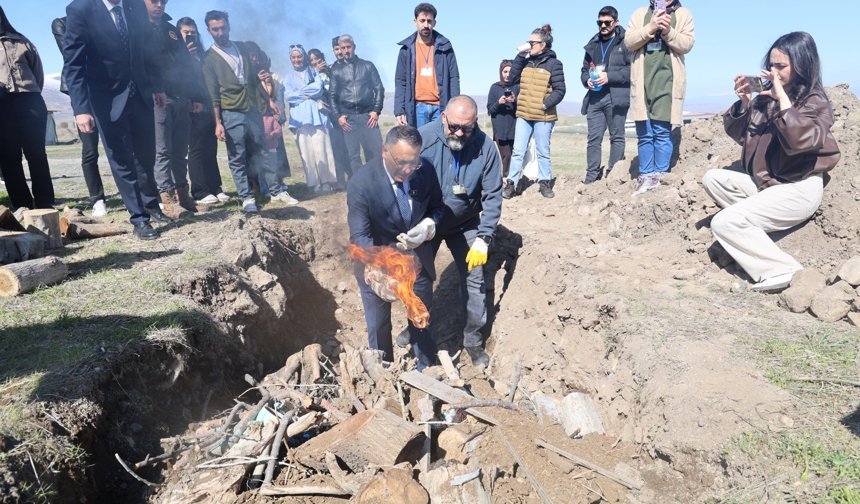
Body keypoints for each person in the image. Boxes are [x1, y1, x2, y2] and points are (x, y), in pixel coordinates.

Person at [702, 32, 840, 292]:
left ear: (801, 66)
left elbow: (802, 141)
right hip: (769, 183)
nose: (774, 73)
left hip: (798, 188)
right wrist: (744, 103)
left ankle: (784, 270)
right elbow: (743, 136)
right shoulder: (765, 100)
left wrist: (783, 102)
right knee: (713, 179)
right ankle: (756, 227)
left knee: (723, 222)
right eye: (771, 66)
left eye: (781, 66)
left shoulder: (815, 101)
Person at [63, 0, 170, 240]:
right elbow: (74, 64)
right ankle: (139, 218)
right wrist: (81, 108)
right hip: (107, 100)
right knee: (122, 159)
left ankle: (152, 205)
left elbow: (146, 49)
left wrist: (157, 86)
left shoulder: (134, 6)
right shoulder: (80, 9)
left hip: (140, 93)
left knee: (146, 154)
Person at [347, 125, 444, 370]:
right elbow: (360, 236)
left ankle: (426, 369)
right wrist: (386, 264)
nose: (408, 169)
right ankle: (385, 373)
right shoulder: (362, 182)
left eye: (414, 162)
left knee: (420, 317)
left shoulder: (426, 170)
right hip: (375, 266)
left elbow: (437, 207)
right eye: (401, 162)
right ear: (384, 151)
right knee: (379, 325)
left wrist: (429, 225)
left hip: (417, 259)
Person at [419, 96, 502, 367]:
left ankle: (473, 340)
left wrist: (484, 237)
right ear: (444, 117)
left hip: (465, 224)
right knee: (418, 278)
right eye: (453, 126)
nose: (458, 134)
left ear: (475, 123)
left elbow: (493, 195)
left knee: (475, 279)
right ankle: (415, 329)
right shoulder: (424, 140)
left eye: (466, 128)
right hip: (427, 223)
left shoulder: (485, 148)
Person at [201, 10, 298, 214]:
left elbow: (254, 79)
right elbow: (213, 94)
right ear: (209, 31)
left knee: (263, 151)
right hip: (230, 113)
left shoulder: (242, 48)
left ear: (228, 26)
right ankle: (246, 197)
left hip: (252, 109)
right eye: (215, 29)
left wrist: (269, 100)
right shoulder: (209, 58)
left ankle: (276, 190)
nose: (220, 32)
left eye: (223, 28)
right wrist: (218, 122)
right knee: (237, 156)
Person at [145, 0, 208, 218]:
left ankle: (183, 195)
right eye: (154, 1)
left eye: (163, 1)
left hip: (181, 97)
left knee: (181, 149)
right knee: (162, 151)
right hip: (158, 98)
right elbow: (142, 64)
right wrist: (155, 89)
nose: (159, 5)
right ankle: (167, 198)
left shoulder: (171, 30)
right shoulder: (137, 27)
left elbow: (186, 66)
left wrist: (196, 95)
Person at [625, 0, 695, 194]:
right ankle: (646, 176)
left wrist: (667, 31)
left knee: (662, 132)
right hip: (642, 81)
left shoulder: (683, 14)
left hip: (667, 81)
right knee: (644, 133)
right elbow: (629, 41)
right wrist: (651, 27)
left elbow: (687, 44)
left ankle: (660, 176)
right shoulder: (640, 14)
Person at [502, 24, 566, 200]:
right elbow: (512, 79)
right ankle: (511, 184)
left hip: (543, 116)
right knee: (518, 151)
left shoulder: (554, 64)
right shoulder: (525, 61)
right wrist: (519, 57)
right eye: (528, 42)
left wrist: (545, 104)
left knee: (542, 151)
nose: (529, 45)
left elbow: (560, 90)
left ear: (543, 45)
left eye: (532, 42)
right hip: (524, 114)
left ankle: (544, 182)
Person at [0, 7, 54, 211]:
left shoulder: (22, 41)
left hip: (29, 101)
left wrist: (30, 94)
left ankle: (45, 202)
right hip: (2, 106)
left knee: (36, 153)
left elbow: (37, 73)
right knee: (9, 156)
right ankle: (22, 205)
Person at [51, 16, 106, 216]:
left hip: (108, 88)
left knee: (121, 147)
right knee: (90, 149)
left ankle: (138, 195)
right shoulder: (62, 23)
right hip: (83, 93)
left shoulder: (105, 18)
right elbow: (73, 53)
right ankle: (97, 199)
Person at [175, 16, 228, 205]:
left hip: (208, 107)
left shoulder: (203, 55)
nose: (190, 36)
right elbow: (179, 80)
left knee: (210, 149)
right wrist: (183, 56)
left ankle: (215, 186)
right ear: (178, 34)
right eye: (186, 33)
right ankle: (199, 190)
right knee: (196, 149)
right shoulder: (176, 55)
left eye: (193, 33)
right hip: (190, 109)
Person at [581, 5, 632, 184]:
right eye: (599, 22)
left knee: (616, 136)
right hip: (594, 98)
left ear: (616, 22)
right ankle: (591, 176)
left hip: (615, 96)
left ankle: (613, 175)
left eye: (607, 22)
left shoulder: (626, 42)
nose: (603, 25)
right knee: (593, 138)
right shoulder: (593, 43)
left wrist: (608, 77)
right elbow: (584, 70)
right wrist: (586, 79)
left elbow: (632, 71)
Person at [394, 2, 460, 128]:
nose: (426, 25)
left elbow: (454, 78)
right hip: (417, 107)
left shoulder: (445, 47)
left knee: (440, 144)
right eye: (422, 20)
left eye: (429, 21)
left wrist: (454, 106)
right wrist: (399, 110)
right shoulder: (406, 50)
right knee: (420, 145)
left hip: (441, 107)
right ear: (415, 22)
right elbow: (400, 81)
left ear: (434, 23)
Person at [284, 45, 338, 193]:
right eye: (293, 57)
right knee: (306, 152)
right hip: (300, 119)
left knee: (322, 149)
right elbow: (289, 96)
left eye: (299, 56)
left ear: (304, 58)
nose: (297, 60)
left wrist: (299, 93)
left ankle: (327, 181)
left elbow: (318, 88)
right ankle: (314, 183)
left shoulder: (313, 72)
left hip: (317, 116)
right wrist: (307, 94)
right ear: (290, 59)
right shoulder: (288, 77)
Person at [329, 35, 385, 175]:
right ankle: (359, 185)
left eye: (348, 47)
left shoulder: (367, 66)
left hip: (368, 117)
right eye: (343, 48)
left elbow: (379, 88)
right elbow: (332, 95)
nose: (346, 51)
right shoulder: (336, 70)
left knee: (375, 153)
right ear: (340, 50)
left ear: (354, 47)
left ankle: (376, 181)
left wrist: (376, 111)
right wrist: (338, 116)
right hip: (348, 119)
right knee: (353, 156)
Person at [309, 47, 352, 189]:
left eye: (317, 59)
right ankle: (339, 180)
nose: (316, 62)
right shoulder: (311, 75)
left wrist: (326, 71)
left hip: (339, 112)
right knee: (334, 148)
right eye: (312, 60)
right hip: (325, 116)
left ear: (323, 58)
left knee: (346, 146)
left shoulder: (332, 69)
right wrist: (317, 73)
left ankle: (352, 176)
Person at [487, 60, 518, 178]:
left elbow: (522, 108)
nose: (507, 74)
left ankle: (513, 180)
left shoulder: (517, 87)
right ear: (501, 72)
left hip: (514, 129)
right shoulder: (495, 88)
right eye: (505, 71)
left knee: (515, 156)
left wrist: (515, 101)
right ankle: (506, 179)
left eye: (510, 72)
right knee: (507, 156)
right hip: (500, 130)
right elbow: (490, 110)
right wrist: (499, 102)